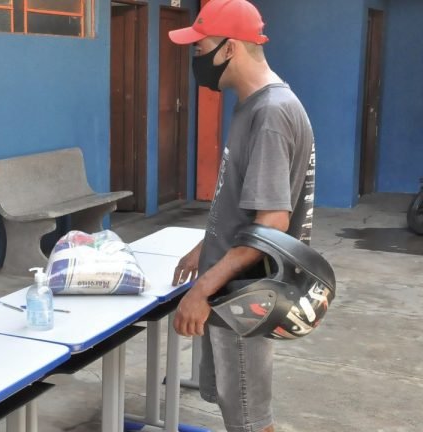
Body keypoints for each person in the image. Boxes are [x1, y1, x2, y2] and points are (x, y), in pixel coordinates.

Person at [167, 1, 316, 431]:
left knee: (249, 417)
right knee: (240, 410)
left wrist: (200, 291)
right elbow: (242, 205)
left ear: (230, 48)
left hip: (243, 294)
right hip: (235, 285)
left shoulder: (270, 114)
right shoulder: (255, 105)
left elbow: (271, 224)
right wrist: (206, 246)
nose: (197, 61)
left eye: (200, 50)